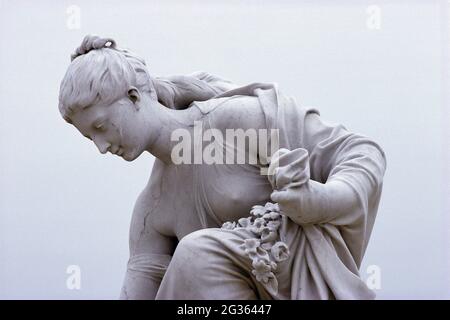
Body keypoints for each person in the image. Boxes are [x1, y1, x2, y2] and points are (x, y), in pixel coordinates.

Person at [58, 35, 387, 299]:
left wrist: (318, 201)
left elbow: (361, 153)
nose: (101, 147)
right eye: (90, 138)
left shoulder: (235, 122)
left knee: (195, 254)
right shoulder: (151, 213)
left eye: (101, 127)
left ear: (133, 97)